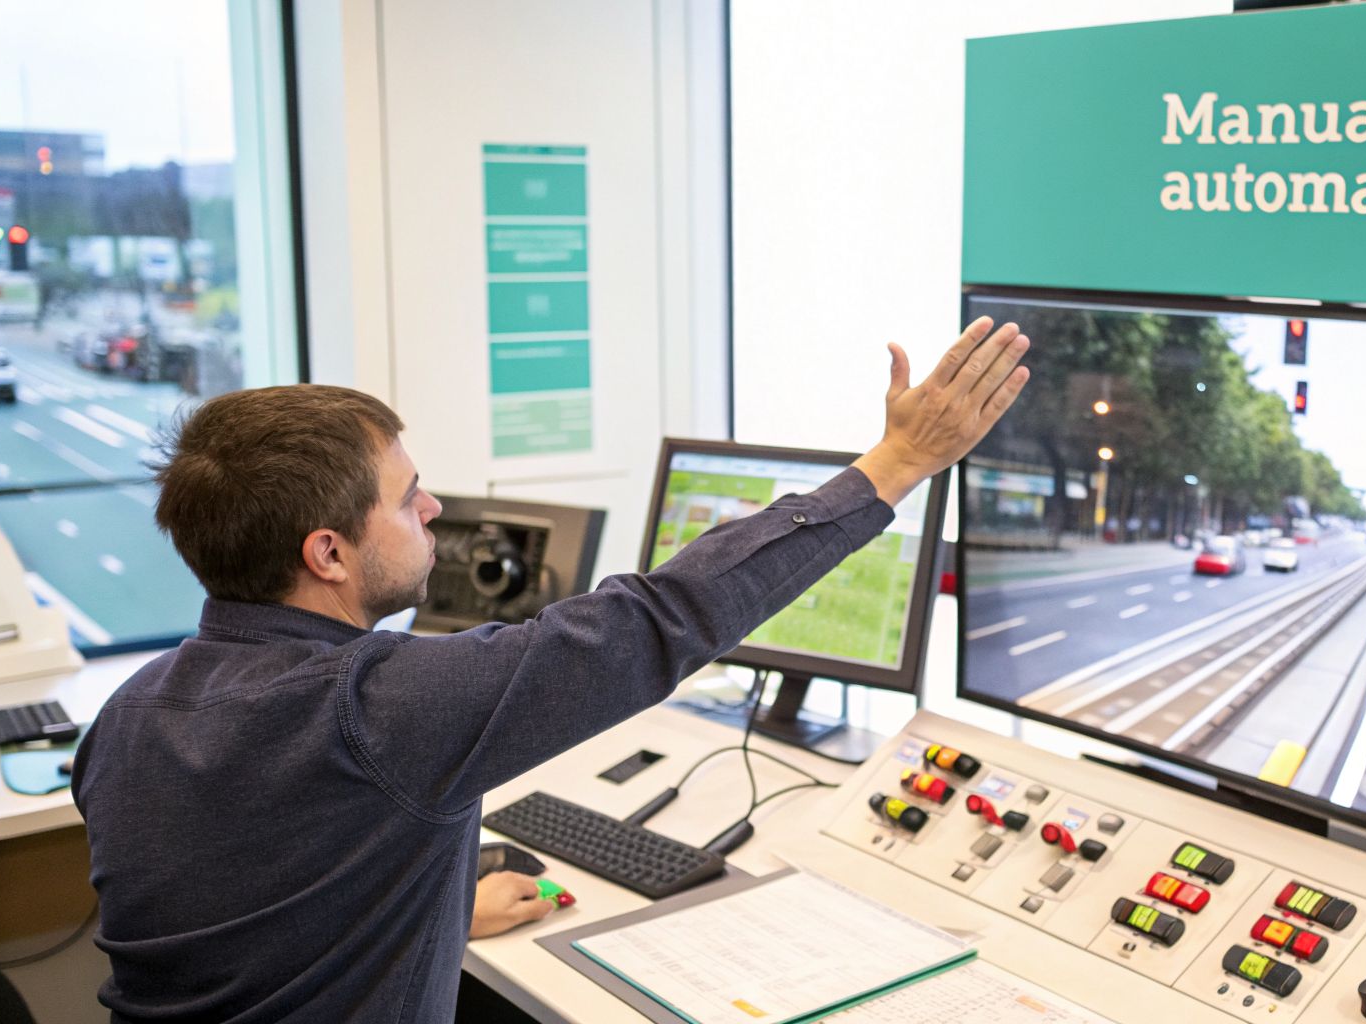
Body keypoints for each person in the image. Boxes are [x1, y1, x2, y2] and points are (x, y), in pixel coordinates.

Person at [71, 318, 1030, 1022]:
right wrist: (899, 462)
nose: (435, 508)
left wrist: (439, 913)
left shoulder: (125, 717)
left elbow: (268, 897)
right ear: (327, 553)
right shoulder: (378, 711)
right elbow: (660, 619)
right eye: (408, 503)